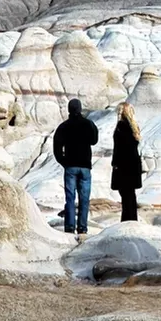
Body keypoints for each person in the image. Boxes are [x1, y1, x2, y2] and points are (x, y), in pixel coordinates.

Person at [53, 98, 98, 235]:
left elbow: (57, 148)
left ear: (68, 110)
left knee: (70, 198)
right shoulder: (88, 124)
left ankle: (70, 227)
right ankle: (83, 228)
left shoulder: (64, 126)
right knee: (84, 199)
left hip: (70, 166)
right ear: (80, 109)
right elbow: (94, 140)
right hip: (85, 166)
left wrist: (64, 161)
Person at [111, 102, 143, 222]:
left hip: (123, 166)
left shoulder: (121, 127)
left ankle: (127, 219)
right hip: (133, 165)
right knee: (131, 194)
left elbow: (118, 149)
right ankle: (132, 218)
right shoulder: (134, 128)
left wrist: (115, 165)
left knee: (125, 194)